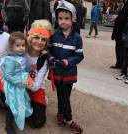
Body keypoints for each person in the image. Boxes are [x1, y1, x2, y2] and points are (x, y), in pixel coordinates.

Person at [48, 1, 84, 133]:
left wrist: (68, 61)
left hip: (69, 73)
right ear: (56, 19)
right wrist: (50, 58)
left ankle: (60, 114)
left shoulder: (77, 38)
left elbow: (80, 56)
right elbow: (48, 50)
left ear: (73, 19)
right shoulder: (54, 35)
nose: (63, 21)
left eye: (66, 18)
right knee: (62, 95)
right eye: (60, 18)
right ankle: (69, 119)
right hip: (57, 72)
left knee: (64, 96)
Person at [0, 32, 34, 134]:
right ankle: (8, 125)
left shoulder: (22, 57)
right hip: (13, 86)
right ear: (11, 47)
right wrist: (20, 82)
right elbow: (8, 75)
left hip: (21, 84)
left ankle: (24, 116)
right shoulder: (10, 59)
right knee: (13, 104)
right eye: (18, 46)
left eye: (23, 45)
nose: (21, 48)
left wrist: (28, 79)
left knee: (23, 100)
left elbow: (24, 71)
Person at [26, 19, 53, 128]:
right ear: (31, 37)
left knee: (37, 123)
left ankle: (38, 102)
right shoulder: (21, 51)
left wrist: (25, 82)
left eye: (43, 39)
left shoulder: (45, 58)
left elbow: (36, 86)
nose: (39, 42)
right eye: (36, 37)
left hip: (35, 87)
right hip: (20, 86)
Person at [116, 4, 128, 84]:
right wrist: (124, 37)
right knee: (125, 60)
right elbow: (125, 29)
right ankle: (124, 73)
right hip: (127, 43)